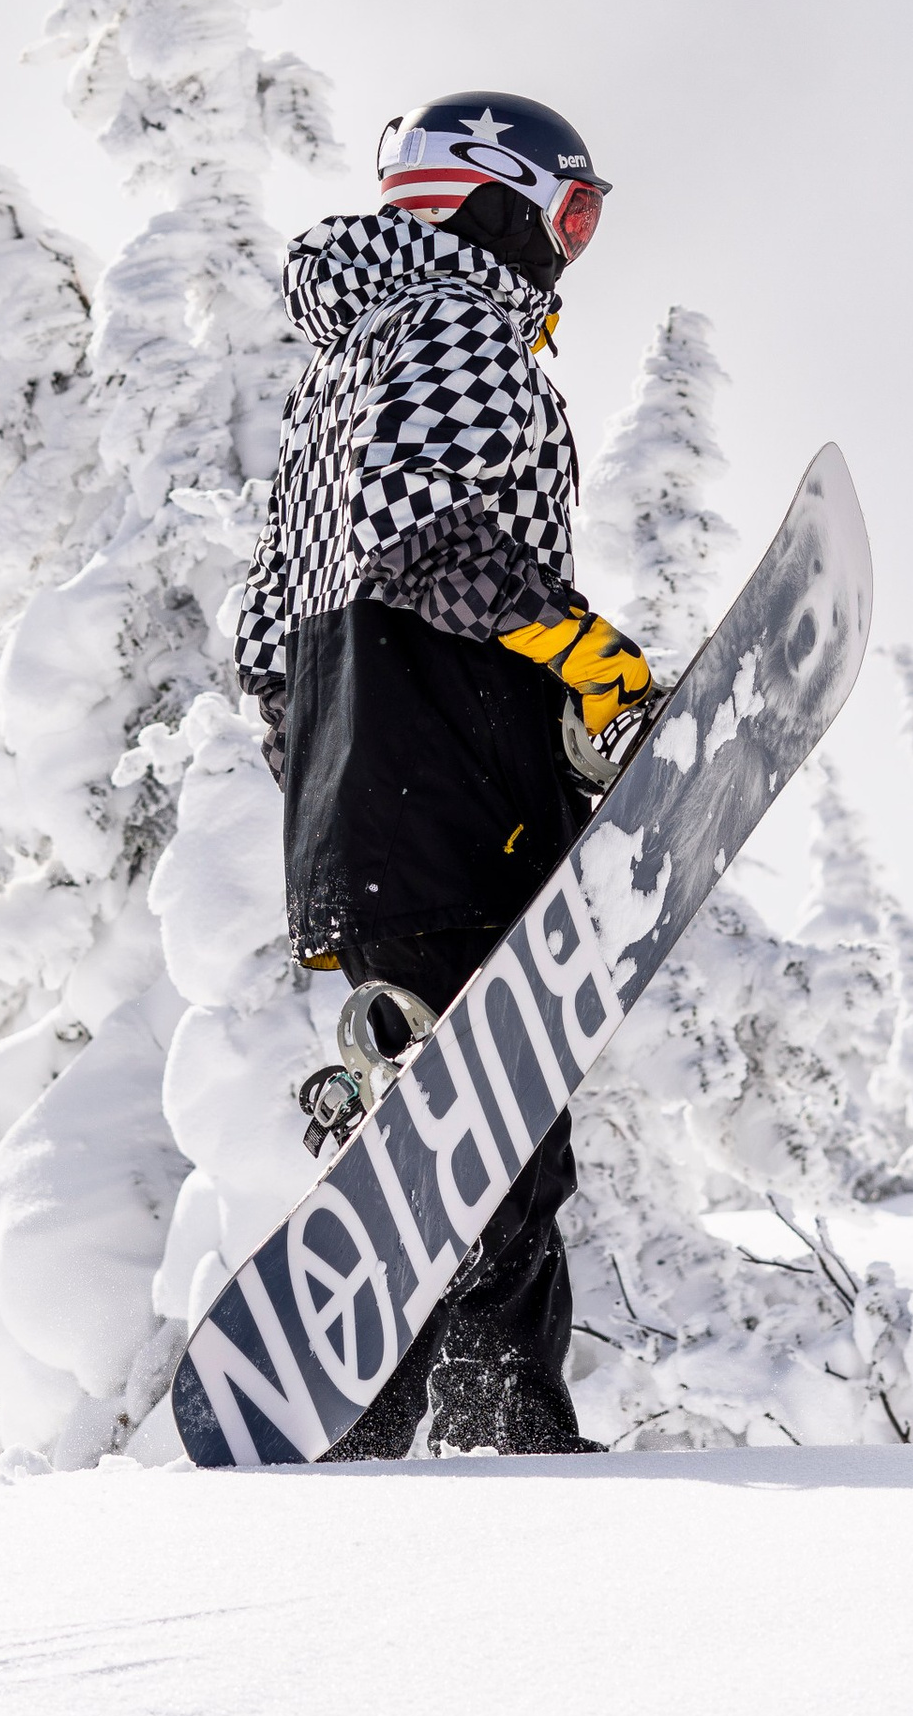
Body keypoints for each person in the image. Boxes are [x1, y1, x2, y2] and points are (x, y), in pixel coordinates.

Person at [234, 90, 660, 1459]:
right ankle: (502, 1433)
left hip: (360, 805)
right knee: (492, 1129)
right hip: (448, 786)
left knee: (440, 1128)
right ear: (484, 191)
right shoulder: (457, 323)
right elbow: (429, 543)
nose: (572, 244)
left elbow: (265, 641)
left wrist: (337, 773)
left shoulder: (343, 367)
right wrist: (584, 657)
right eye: (568, 210)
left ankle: (409, 1428)